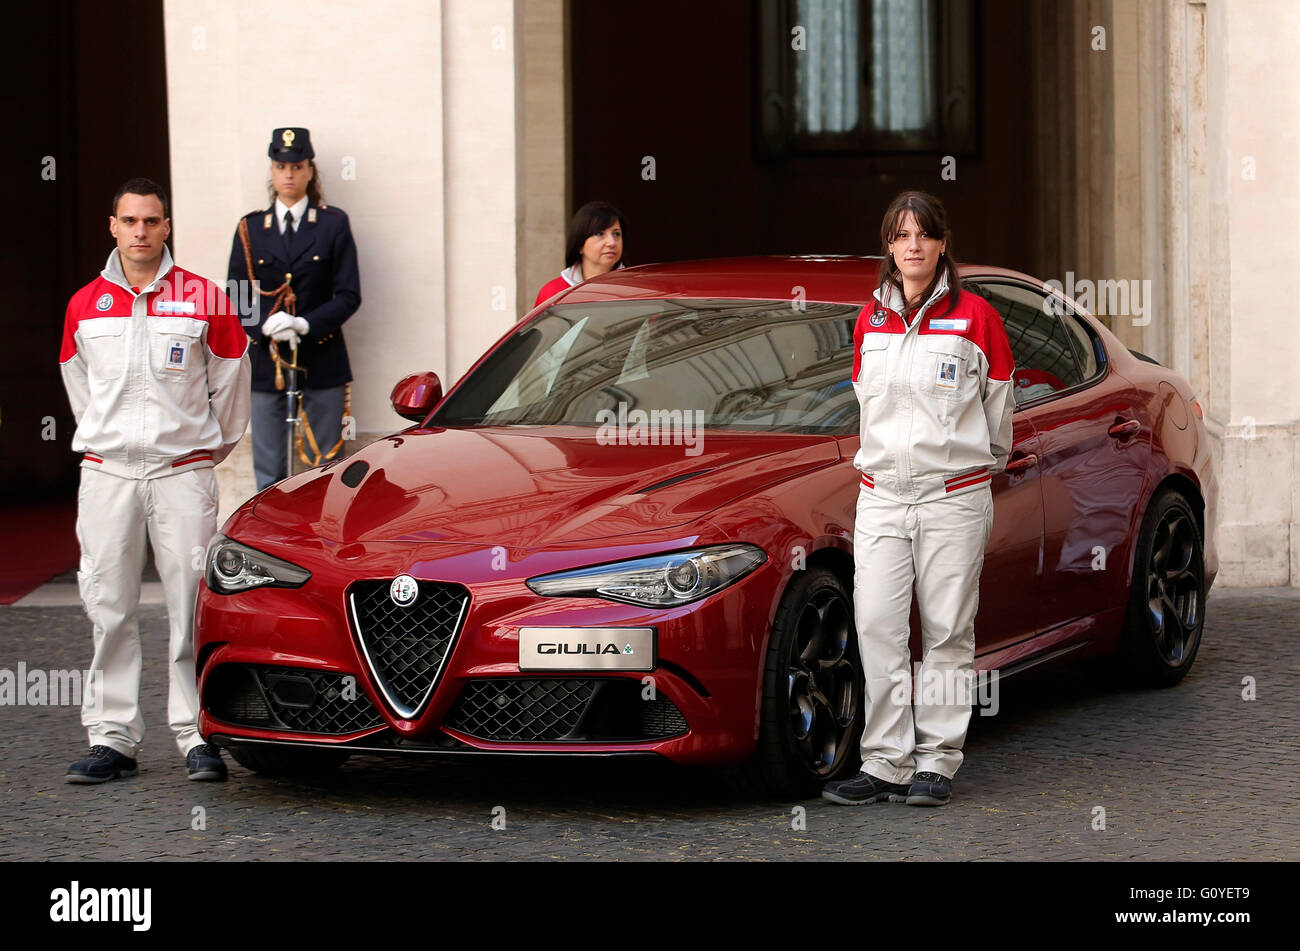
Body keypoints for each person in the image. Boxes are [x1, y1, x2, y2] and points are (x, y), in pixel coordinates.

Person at [822, 190, 1014, 807]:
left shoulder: (976, 317)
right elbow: (864, 402)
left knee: (946, 632)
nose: (912, 246)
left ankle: (937, 760)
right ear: (888, 245)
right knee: (877, 625)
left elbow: (999, 415)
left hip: (951, 497)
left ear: (941, 244)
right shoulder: (868, 320)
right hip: (880, 497)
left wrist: (973, 473)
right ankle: (884, 763)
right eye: (901, 236)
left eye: (923, 235)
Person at [59, 178, 251, 783]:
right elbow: (80, 390)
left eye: (152, 221)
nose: (141, 231)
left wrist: (198, 453)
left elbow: (231, 388)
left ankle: (197, 735)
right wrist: (113, 443)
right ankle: (112, 739)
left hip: (181, 475)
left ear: (167, 227)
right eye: (130, 221)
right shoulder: (84, 304)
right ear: (111, 226)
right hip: (108, 474)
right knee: (108, 606)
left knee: (189, 606)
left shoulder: (207, 299)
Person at [228, 127, 361, 490]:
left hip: (322, 357)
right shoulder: (251, 228)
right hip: (267, 364)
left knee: (325, 472)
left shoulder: (333, 224)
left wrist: (304, 323)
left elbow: (349, 294)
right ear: (272, 170)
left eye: (297, 165)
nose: (288, 173)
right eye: (281, 165)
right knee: (269, 473)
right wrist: (263, 327)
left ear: (309, 171)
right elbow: (237, 294)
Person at [533, 201, 625, 308]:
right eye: (599, 234)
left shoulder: (634, 289)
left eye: (616, 234)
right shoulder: (553, 292)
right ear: (580, 244)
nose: (612, 242)